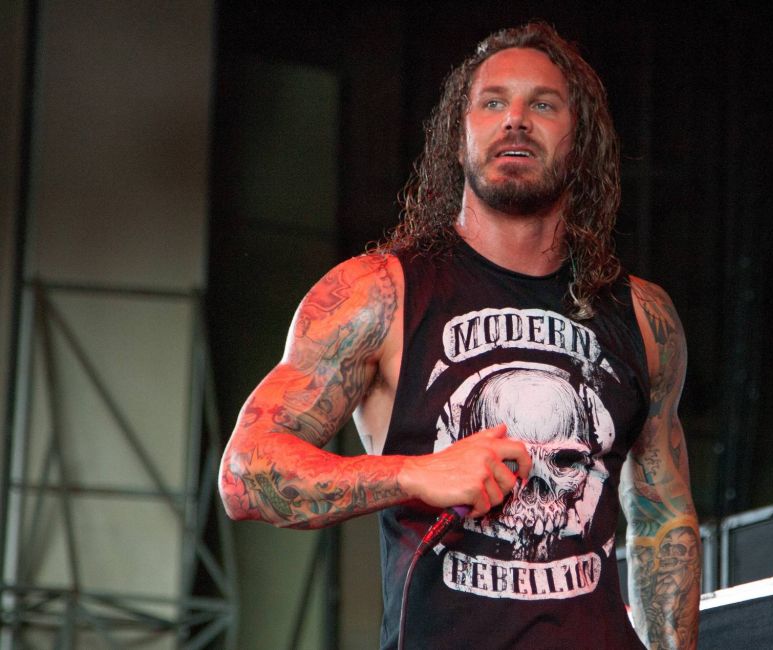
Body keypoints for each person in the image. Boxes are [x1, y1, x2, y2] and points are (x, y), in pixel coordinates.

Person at [219, 22, 700, 649]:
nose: (517, 119)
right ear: (459, 133)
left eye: (544, 105)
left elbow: (665, 518)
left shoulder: (642, 317)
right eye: (493, 102)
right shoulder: (378, 296)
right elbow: (246, 473)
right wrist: (416, 474)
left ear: (580, 143)